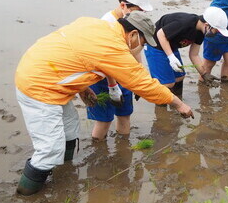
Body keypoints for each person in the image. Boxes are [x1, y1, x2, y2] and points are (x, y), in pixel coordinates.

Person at [14, 12, 194, 196]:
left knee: (70, 127)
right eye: (144, 42)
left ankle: (63, 171)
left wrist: (83, 88)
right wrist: (179, 104)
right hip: (39, 86)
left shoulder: (96, 26)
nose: (142, 47)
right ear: (132, 35)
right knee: (49, 149)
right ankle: (26, 193)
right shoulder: (113, 47)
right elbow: (143, 83)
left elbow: (73, 57)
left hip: (40, 72)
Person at [86, 0, 153, 141]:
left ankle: (123, 150)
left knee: (125, 115)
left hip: (123, 75)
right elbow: (103, 61)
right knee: (104, 120)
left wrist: (140, 78)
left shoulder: (134, 22)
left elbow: (136, 51)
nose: (141, 14)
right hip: (101, 77)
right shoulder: (107, 23)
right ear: (124, 5)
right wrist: (112, 85)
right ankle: (100, 153)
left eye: (143, 11)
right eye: (138, 10)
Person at [145, 7, 228, 98]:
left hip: (171, 46)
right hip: (155, 45)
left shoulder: (200, 32)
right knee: (168, 83)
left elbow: (194, 55)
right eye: (216, 30)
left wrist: (204, 74)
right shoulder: (184, 23)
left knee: (179, 77)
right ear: (207, 25)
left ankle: (177, 103)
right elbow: (160, 34)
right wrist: (171, 57)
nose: (216, 33)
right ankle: (161, 110)